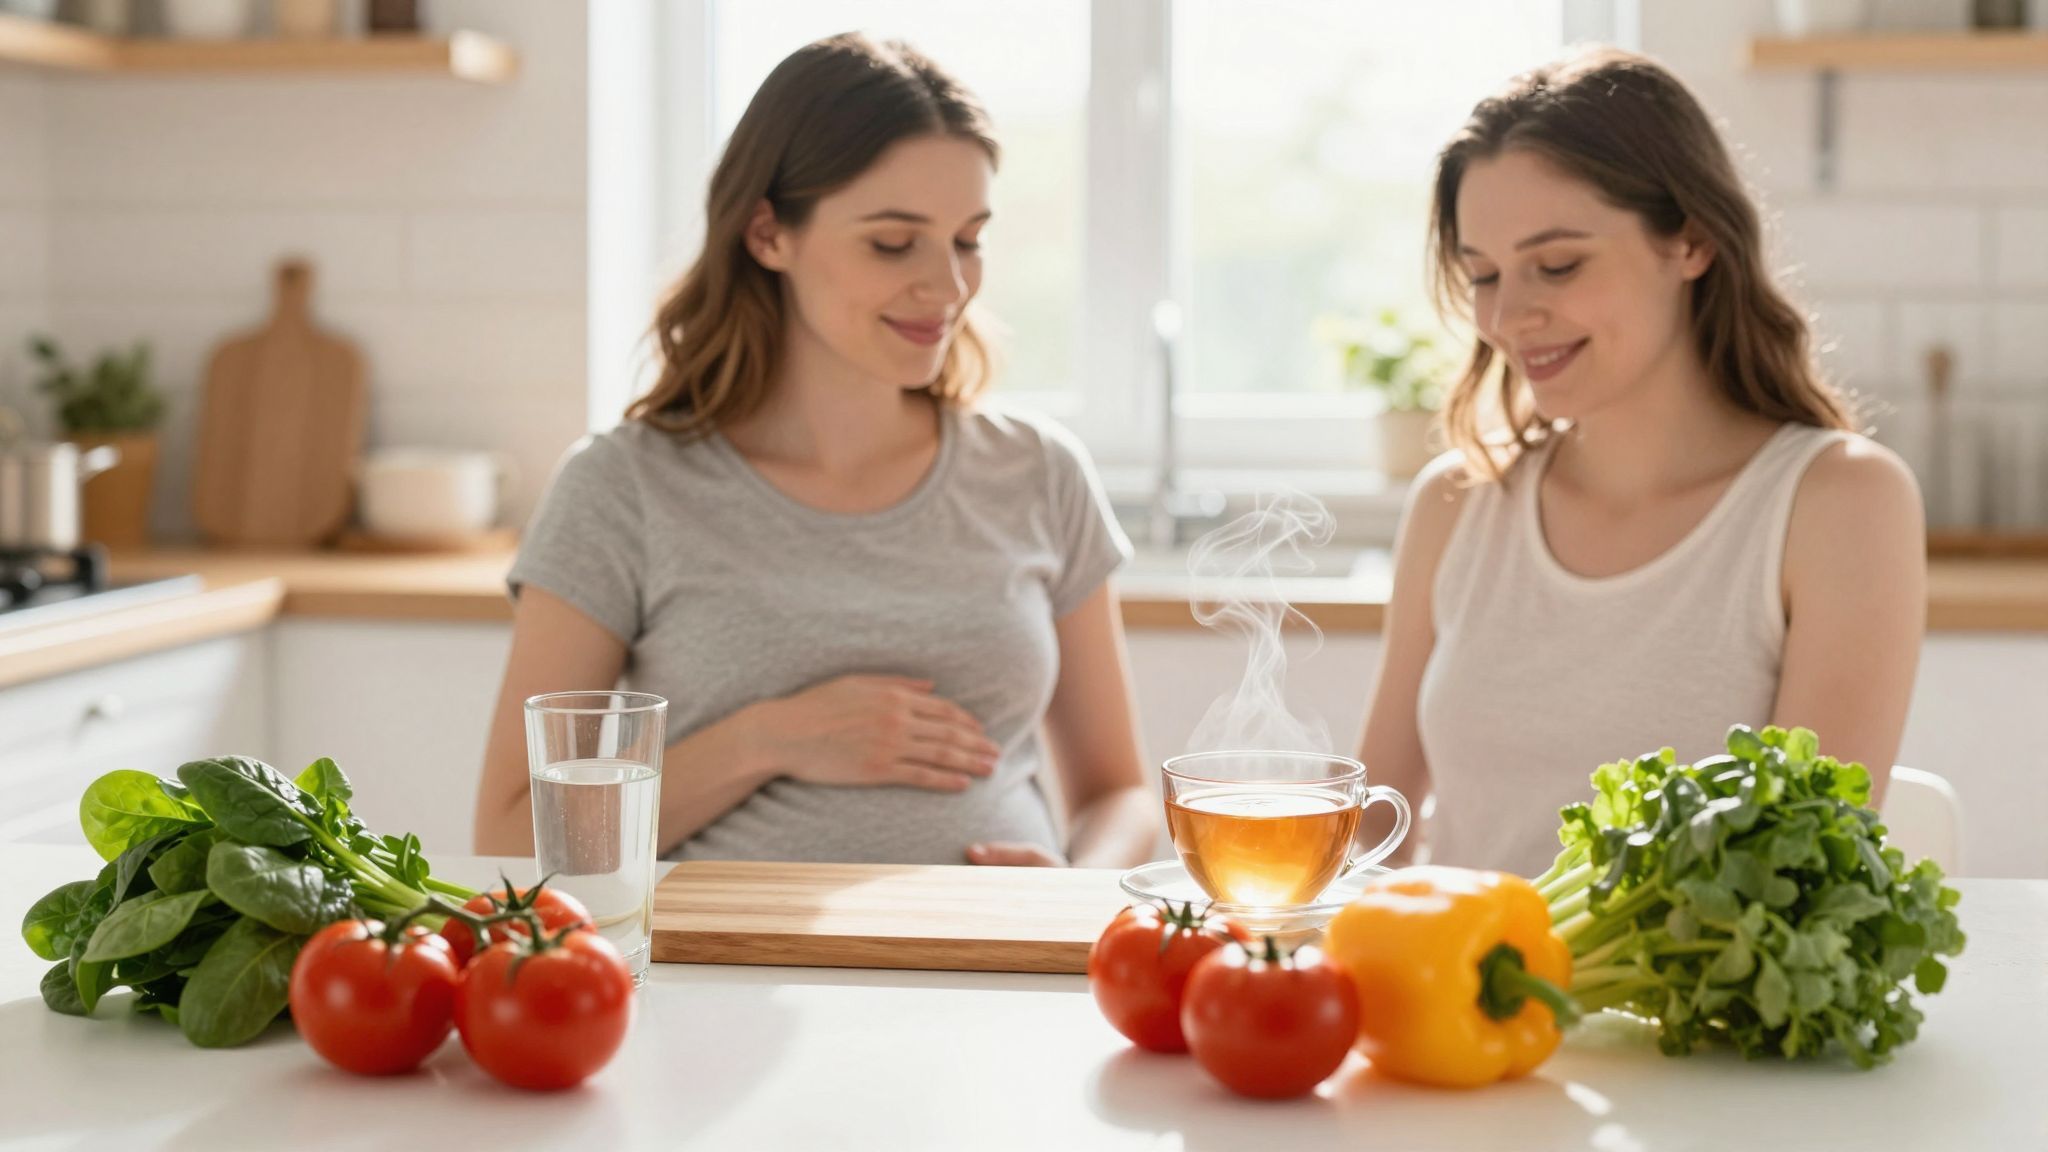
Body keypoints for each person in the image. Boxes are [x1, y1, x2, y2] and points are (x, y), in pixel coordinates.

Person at [473, 33, 1156, 869]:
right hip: (724, 983)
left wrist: (1069, 899)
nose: (947, 287)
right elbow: (510, 835)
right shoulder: (623, 489)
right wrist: (771, 738)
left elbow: (1117, 795)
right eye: (893, 242)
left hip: (997, 970)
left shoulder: (1038, 472)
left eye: (968, 239)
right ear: (768, 234)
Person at [1358, 48, 1925, 876]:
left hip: (1686, 1012)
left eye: (1558, 265)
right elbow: (1371, 837)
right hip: (1449, 998)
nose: (1510, 316)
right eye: (1482, 275)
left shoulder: (1839, 504)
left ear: (1690, 239)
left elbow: (1803, 876)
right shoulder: (1457, 503)